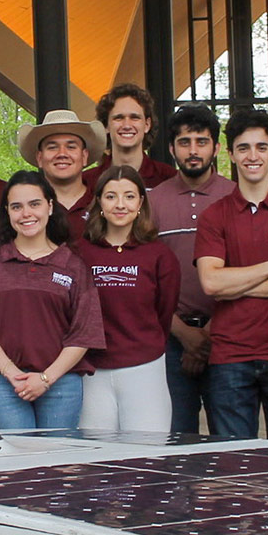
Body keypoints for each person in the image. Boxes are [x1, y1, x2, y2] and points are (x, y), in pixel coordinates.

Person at [196, 108, 268, 441]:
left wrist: (234, 286)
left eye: (262, 147)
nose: (253, 156)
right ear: (231, 154)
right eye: (244, 148)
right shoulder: (213, 215)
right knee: (234, 466)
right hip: (229, 355)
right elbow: (210, 282)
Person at [0, 171, 105, 431]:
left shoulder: (72, 265)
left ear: (50, 206)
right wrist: (10, 373)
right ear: (7, 212)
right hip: (4, 382)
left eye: (35, 204)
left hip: (61, 382)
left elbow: (84, 333)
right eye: (16, 207)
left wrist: (45, 378)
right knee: (16, 464)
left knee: (58, 463)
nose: (26, 214)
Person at [148, 104, 233, 434]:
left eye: (202, 141)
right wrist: (183, 333)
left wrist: (208, 334)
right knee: (176, 441)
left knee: (230, 444)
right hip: (170, 339)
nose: (193, 150)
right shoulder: (153, 201)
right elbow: (146, 279)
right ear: (171, 148)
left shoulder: (234, 197)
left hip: (226, 336)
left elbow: (244, 271)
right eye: (185, 142)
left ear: (216, 147)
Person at [74, 166, 179, 432]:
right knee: (98, 461)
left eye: (129, 196)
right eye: (111, 196)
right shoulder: (79, 253)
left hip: (144, 369)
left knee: (147, 456)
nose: (120, 205)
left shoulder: (159, 256)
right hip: (92, 371)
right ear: (98, 201)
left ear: (141, 202)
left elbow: (164, 313)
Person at [19, 109, 101, 226]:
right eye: (52, 147)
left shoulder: (102, 203)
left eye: (71, 147)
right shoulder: (25, 209)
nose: (62, 154)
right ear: (39, 157)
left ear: (84, 156)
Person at [90, 83, 173, 188]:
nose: (127, 125)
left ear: (147, 125)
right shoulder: (88, 181)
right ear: (106, 125)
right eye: (118, 118)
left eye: (134, 117)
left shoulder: (169, 179)